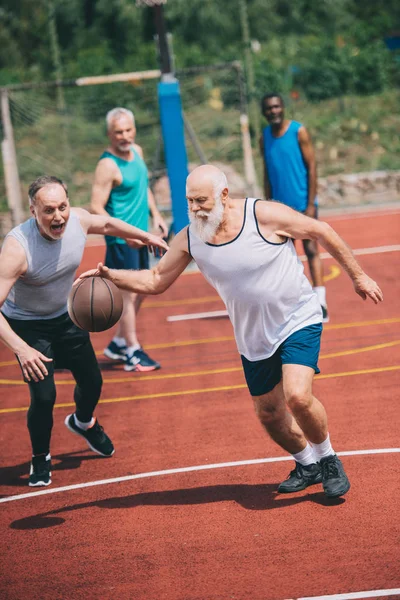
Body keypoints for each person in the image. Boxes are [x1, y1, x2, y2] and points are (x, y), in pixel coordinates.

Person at [78, 164, 383, 499]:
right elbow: (155, 280)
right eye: (189, 202)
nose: (194, 209)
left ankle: (328, 459)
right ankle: (306, 464)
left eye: (201, 201)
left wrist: (359, 276)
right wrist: (110, 276)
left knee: (297, 395)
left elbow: (322, 230)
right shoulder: (193, 236)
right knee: (269, 414)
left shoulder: (262, 215)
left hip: (297, 318)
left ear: (224, 195)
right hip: (252, 336)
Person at [0, 175, 168, 487]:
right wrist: (22, 349)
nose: (58, 216)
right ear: (32, 210)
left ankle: (83, 422)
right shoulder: (17, 248)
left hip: (65, 317)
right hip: (28, 326)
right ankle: (40, 457)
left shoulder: (76, 220)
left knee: (92, 382)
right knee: (44, 395)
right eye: (48, 210)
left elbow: (107, 225)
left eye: (62, 206)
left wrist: (145, 237)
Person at [90, 107, 169, 372]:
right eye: (118, 132)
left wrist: (155, 214)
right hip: (121, 242)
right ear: (109, 134)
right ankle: (132, 350)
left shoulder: (138, 152)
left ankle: (117, 342)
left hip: (140, 236)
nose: (124, 136)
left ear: (134, 130)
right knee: (126, 295)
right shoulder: (107, 165)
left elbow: (143, 186)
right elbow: (96, 208)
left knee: (143, 288)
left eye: (127, 130)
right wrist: (125, 234)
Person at [260, 92, 329, 322]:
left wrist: (310, 204)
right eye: (269, 108)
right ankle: (293, 302)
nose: (274, 111)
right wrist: (268, 205)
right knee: (284, 257)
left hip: (302, 204)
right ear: (264, 112)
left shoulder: (298, 132)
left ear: (283, 107)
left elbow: (312, 167)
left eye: (277, 107)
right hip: (279, 209)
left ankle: (320, 301)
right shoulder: (264, 137)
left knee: (311, 250)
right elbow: (267, 173)